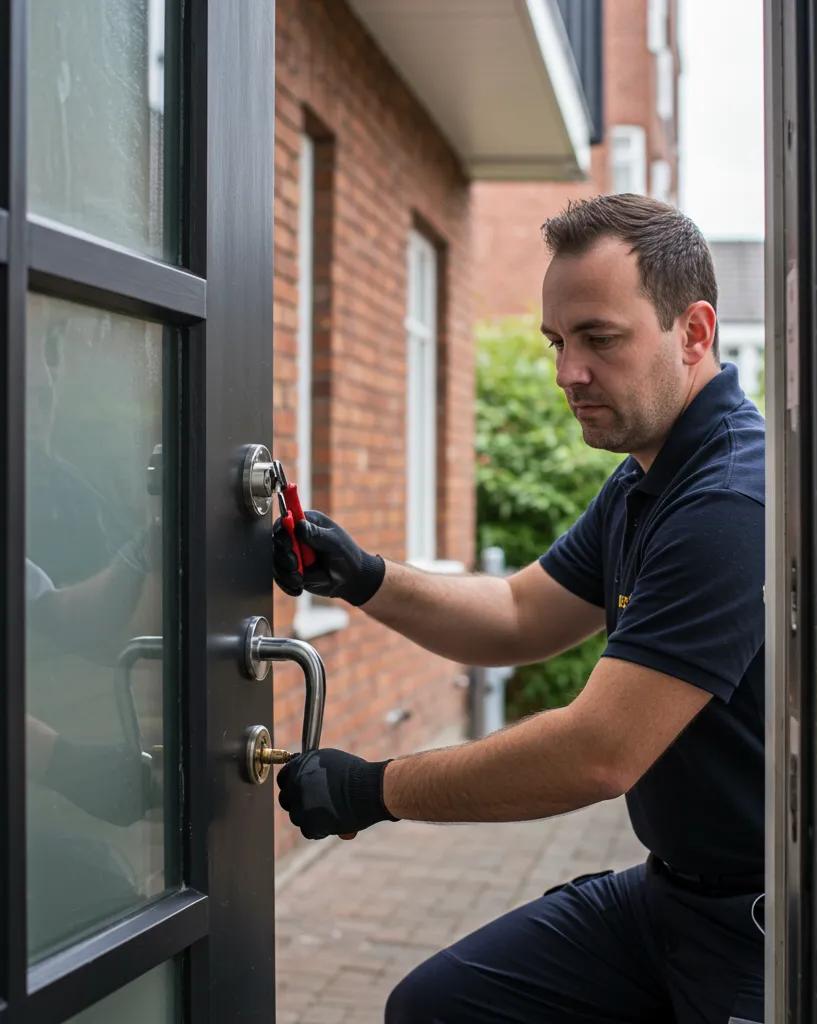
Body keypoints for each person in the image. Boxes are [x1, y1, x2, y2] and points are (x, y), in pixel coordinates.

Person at [273, 194, 766, 1023]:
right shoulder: (647, 482)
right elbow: (516, 612)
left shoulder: (727, 501)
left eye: (599, 339)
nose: (568, 372)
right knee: (438, 1007)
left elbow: (598, 752)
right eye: (557, 342)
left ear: (694, 332)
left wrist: (375, 790)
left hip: (751, 929)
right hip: (667, 900)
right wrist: (360, 577)